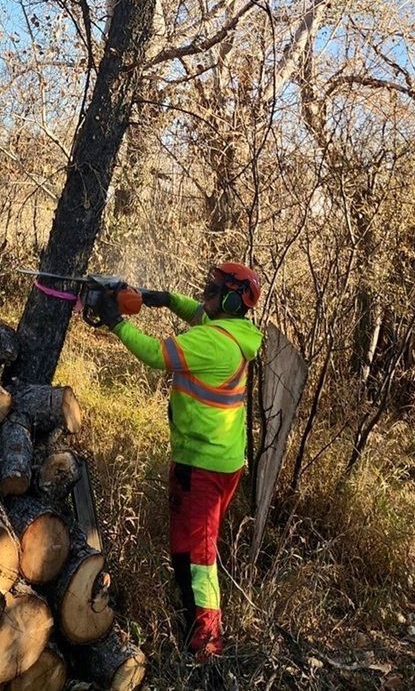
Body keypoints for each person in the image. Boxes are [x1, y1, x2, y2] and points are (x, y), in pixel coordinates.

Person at [90, 261, 264, 682]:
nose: (204, 291)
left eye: (213, 288)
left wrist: (116, 322)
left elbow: (155, 354)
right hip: (219, 459)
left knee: (198, 557)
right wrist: (162, 299)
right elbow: (197, 313)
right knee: (191, 549)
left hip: (201, 464)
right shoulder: (233, 332)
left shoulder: (212, 345)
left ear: (229, 299)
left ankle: (206, 647)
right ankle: (193, 621)